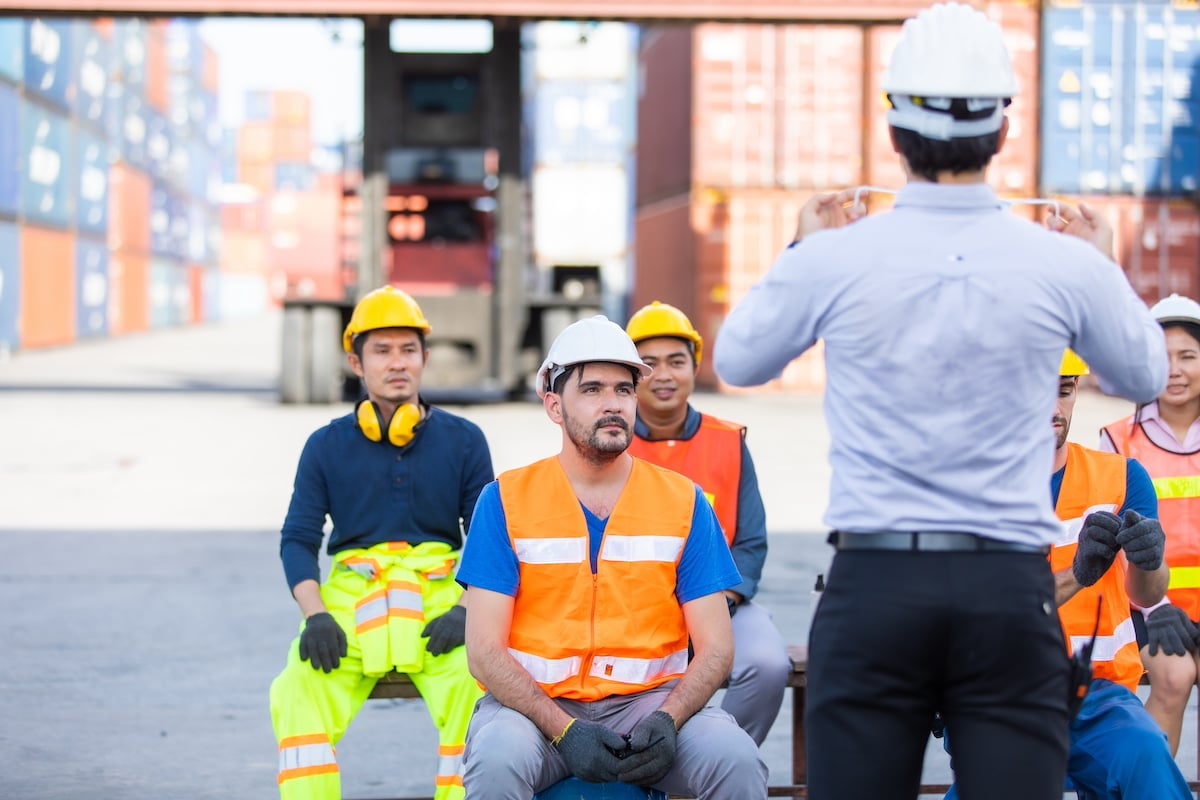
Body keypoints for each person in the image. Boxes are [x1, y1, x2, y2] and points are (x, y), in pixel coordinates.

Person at [711, 3, 1168, 798]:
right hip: (1008, 594)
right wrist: (1101, 265)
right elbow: (1144, 374)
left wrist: (802, 246)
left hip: (874, 587)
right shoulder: (1059, 264)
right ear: (1002, 128)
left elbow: (740, 356)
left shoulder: (839, 257)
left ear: (893, 127)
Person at [456, 315, 768, 799]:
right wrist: (564, 730)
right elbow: (484, 652)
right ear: (554, 407)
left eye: (623, 390)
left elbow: (716, 648)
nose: (613, 404)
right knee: (496, 761)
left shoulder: (684, 501)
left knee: (736, 760)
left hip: (653, 705)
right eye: (594, 390)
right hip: (534, 711)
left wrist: (670, 718)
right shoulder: (504, 501)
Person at [269, 286, 494, 800]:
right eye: (382, 350)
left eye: (408, 350)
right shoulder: (325, 446)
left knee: (480, 685)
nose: (398, 363)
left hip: (441, 600)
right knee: (296, 687)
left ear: (425, 358)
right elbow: (298, 539)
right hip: (352, 603)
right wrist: (315, 615)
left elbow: (491, 538)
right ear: (355, 361)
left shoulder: (464, 440)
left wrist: (466, 610)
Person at [943, 351, 1189, 800]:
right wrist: (1077, 575)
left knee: (1146, 756)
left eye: (1064, 390)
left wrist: (1151, 561)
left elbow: (1145, 594)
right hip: (1000, 697)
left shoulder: (1121, 478)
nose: (1054, 409)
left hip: (1098, 696)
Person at [624, 300, 790, 745]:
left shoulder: (728, 443)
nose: (663, 375)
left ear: (695, 367)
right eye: (648, 364)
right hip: (634, 607)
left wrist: (720, 603)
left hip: (723, 602)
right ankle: (651, 762)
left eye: (676, 362)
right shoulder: (610, 444)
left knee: (768, 665)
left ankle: (716, 760)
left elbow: (750, 543)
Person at [1101, 292, 1200, 755]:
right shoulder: (1118, 439)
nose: (1175, 370)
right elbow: (1109, 544)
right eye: (1162, 358)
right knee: (1174, 677)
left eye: (1188, 356)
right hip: (1147, 612)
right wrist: (1153, 608)